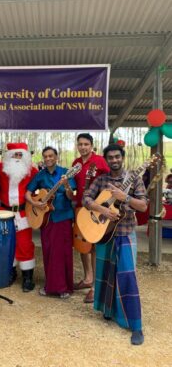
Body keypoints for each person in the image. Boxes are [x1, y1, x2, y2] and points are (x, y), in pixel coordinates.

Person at [82, 144, 148, 345]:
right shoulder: (101, 180)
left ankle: (136, 326)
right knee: (105, 274)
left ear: (122, 157)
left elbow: (143, 205)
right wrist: (100, 209)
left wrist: (125, 197)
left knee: (127, 276)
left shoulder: (134, 179)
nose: (114, 160)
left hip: (125, 233)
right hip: (105, 234)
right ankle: (108, 311)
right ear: (107, 159)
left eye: (117, 156)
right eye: (110, 157)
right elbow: (86, 198)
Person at [25, 146, 76, 299]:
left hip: (63, 217)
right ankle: (51, 285)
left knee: (62, 253)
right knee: (48, 251)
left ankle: (62, 288)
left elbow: (71, 196)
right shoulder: (40, 175)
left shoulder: (66, 173)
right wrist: (35, 204)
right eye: (45, 156)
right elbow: (28, 193)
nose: (48, 159)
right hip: (46, 219)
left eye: (51, 156)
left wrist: (66, 185)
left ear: (56, 157)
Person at [72, 133, 110, 303]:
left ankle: (95, 286)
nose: (83, 147)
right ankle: (87, 278)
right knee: (82, 243)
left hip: (95, 209)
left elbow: (110, 183)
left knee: (93, 246)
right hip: (80, 208)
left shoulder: (100, 161)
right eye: (80, 144)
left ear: (91, 145)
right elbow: (73, 185)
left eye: (86, 144)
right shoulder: (76, 163)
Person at [0, 143, 38, 292]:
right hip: (4, 212)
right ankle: (11, 272)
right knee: (7, 244)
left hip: (23, 213)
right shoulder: (0, 168)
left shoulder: (31, 170)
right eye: (15, 154)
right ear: (9, 155)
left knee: (24, 244)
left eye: (20, 155)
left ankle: (28, 277)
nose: (17, 158)